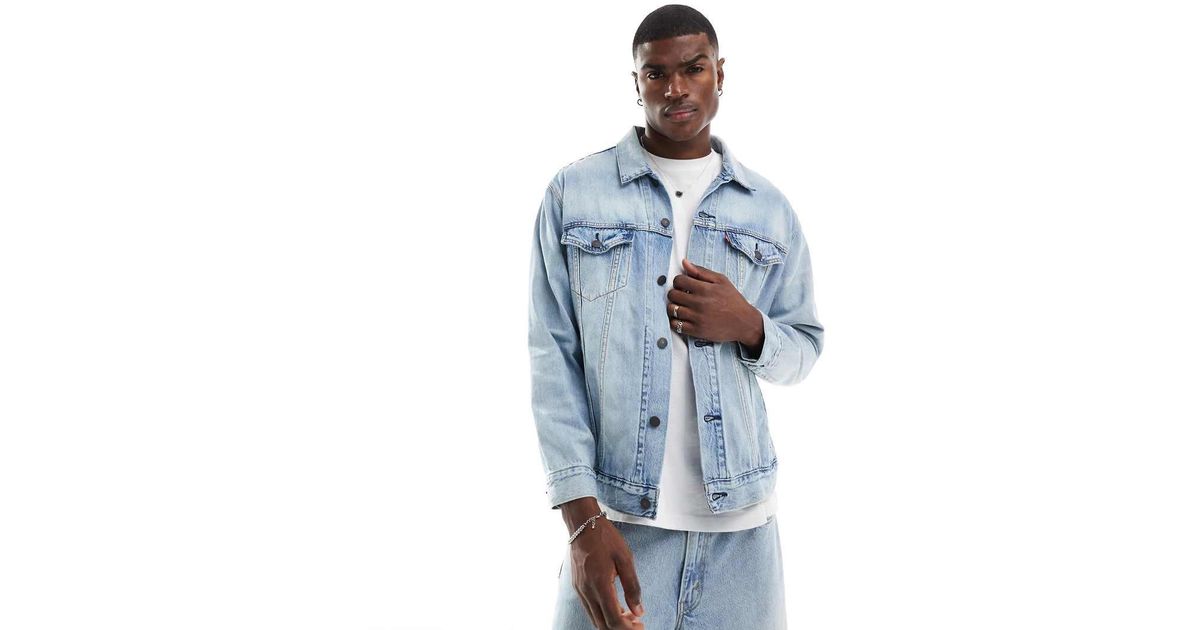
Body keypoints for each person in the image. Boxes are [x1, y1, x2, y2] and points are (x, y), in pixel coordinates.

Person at [527, 5, 824, 628]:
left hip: (743, 537)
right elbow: (553, 359)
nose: (675, 89)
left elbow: (803, 349)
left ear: (721, 73)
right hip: (618, 523)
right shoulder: (574, 194)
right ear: (635, 82)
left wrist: (750, 326)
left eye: (694, 69)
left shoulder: (768, 208)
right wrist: (581, 519)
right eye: (656, 74)